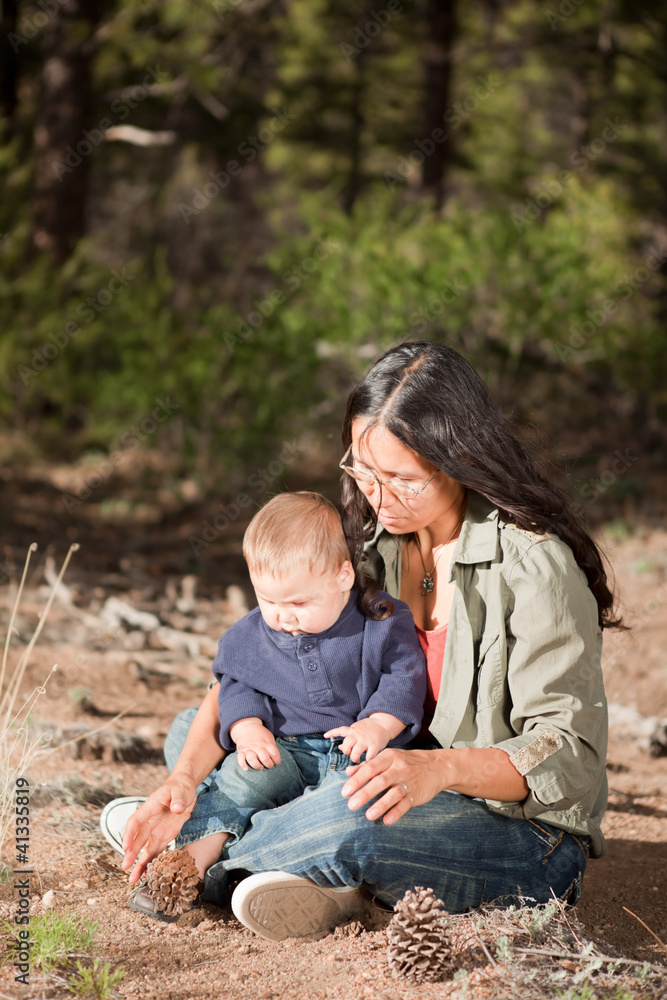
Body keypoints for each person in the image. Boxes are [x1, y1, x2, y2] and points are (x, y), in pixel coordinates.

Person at [119, 340, 616, 942]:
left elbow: (567, 753)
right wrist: (183, 777)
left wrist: (437, 769)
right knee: (196, 733)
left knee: (350, 816)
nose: (378, 495)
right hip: (376, 769)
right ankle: (308, 871)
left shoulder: (534, 566)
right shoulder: (370, 547)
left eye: (402, 478)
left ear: (460, 457)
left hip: (512, 830)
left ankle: (206, 849)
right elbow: (248, 676)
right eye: (363, 471)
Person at [126, 491, 425, 918]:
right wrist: (248, 729)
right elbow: (236, 685)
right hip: (283, 748)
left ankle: (256, 867)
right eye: (269, 601)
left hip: (357, 754)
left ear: (343, 576)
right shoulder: (249, 636)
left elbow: (404, 678)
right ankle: (190, 863)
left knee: (344, 808)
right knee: (239, 773)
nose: (283, 617)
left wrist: (377, 725)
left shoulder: (381, 620)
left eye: (300, 603)